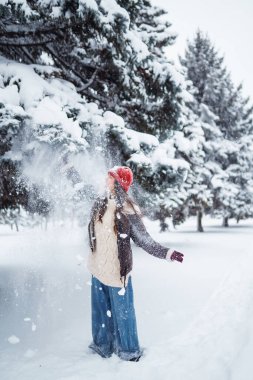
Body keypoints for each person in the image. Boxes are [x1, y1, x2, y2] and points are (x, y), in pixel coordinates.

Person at [87, 166, 184, 362]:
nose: (106, 179)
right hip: (97, 267)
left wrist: (167, 253)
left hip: (116, 272)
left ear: (118, 183)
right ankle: (102, 345)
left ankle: (129, 351)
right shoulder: (101, 201)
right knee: (100, 311)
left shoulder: (128, 211)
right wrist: (69, 168)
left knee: (124, 314)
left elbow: (145, 241)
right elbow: (81, 189)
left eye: (110, 177)